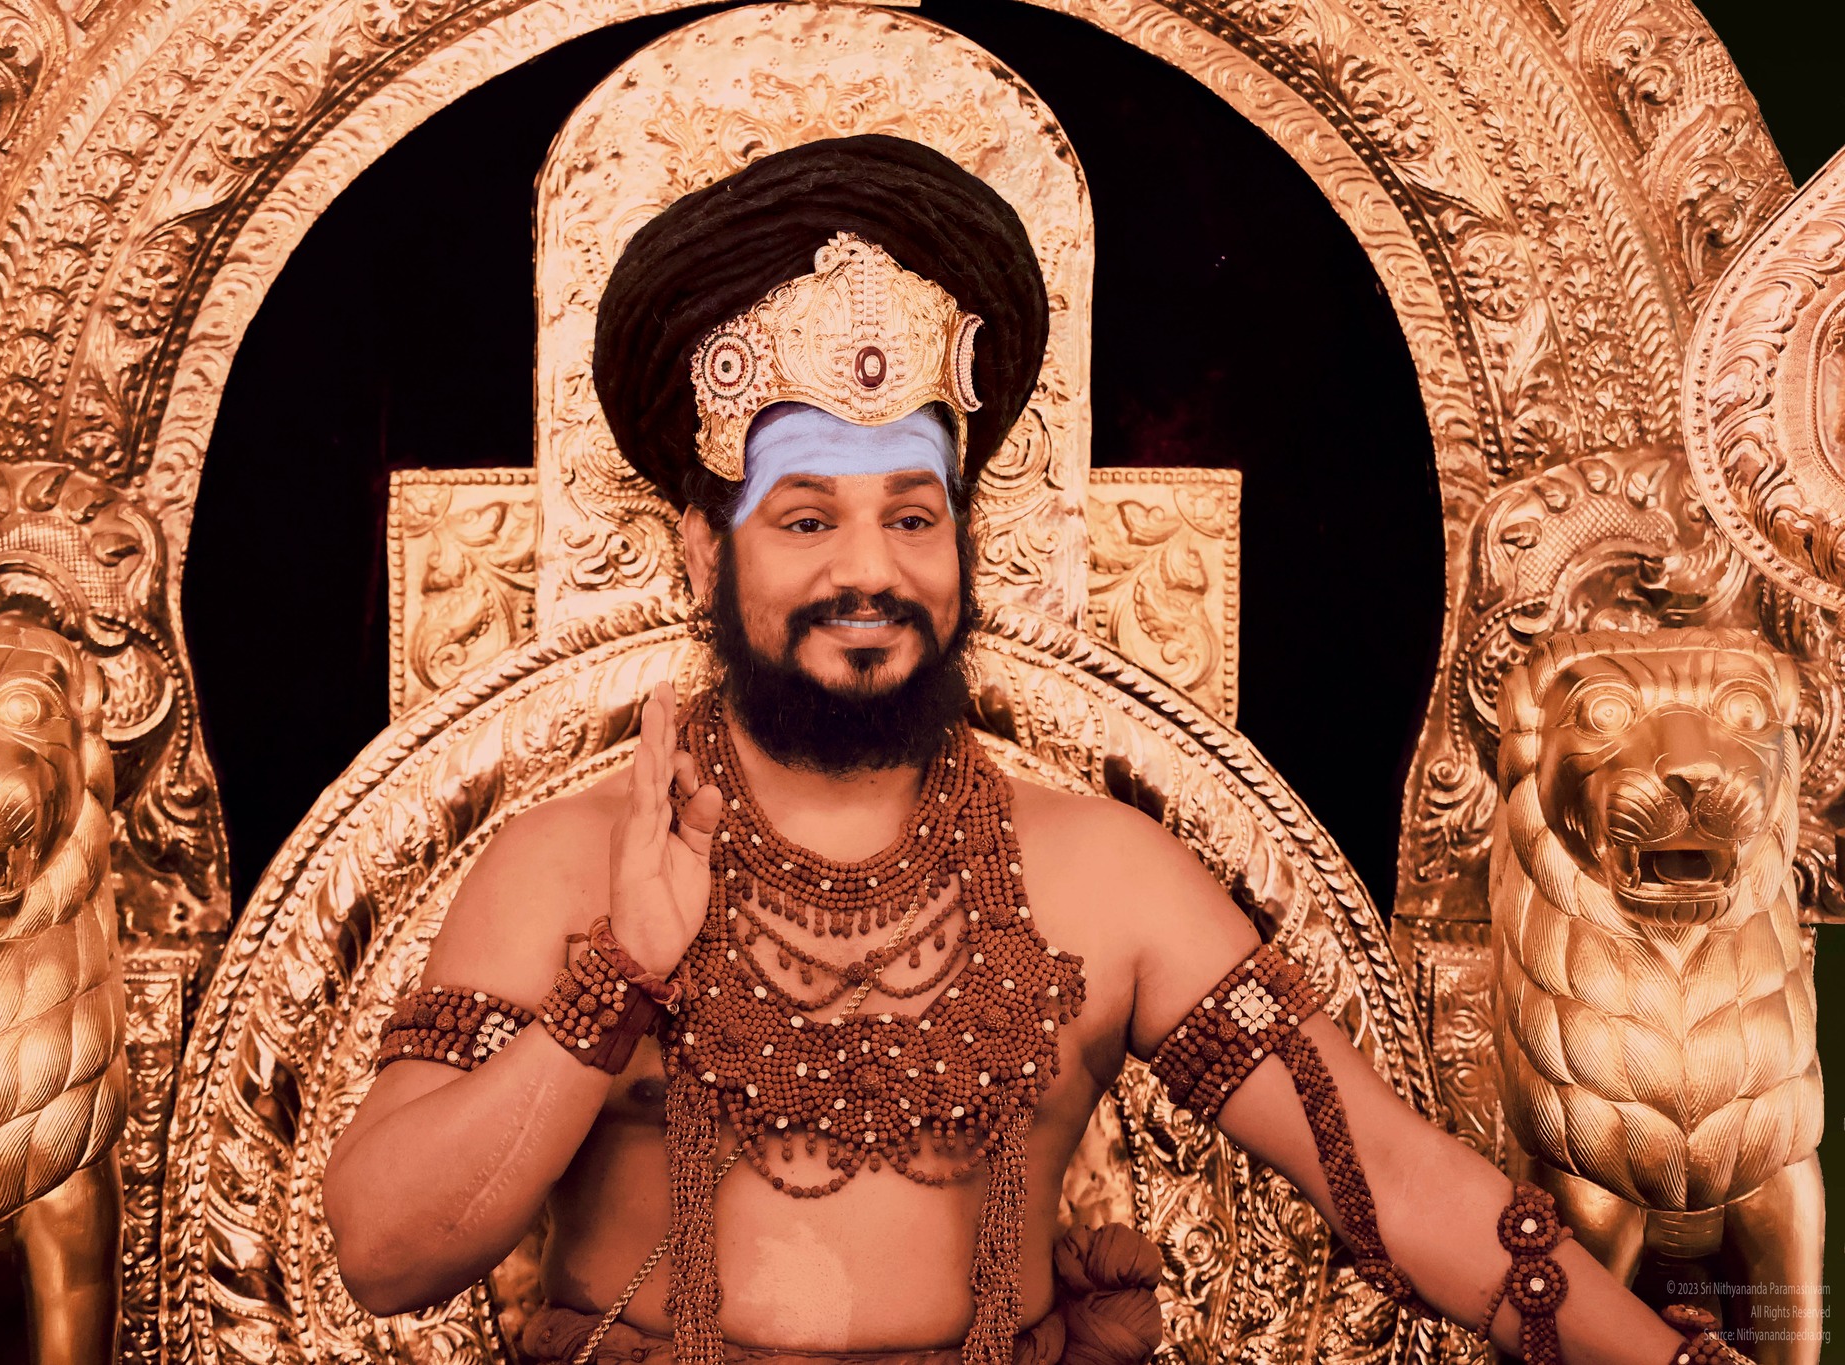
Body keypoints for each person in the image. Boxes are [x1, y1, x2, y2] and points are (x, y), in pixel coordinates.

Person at [323, 135, 1747, 1365]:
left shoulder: (1105, 880)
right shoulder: (566, 869)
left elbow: (1397, 1178)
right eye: (807, 520)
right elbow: (382, 1254)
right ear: (704, 547)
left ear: (963, 541)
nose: (869, 571)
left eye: (914, 517)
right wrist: (617, 983)